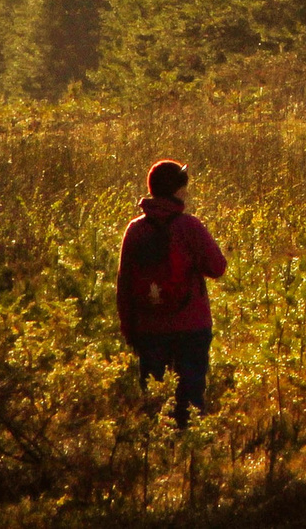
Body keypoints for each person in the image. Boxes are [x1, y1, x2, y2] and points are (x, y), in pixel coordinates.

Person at [115, 158, 227, 424]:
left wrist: (130, 330)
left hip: (148, 328)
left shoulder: (135, 230)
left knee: (155, 405)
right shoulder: (189, 227)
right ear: (178, 191)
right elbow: (218, 267)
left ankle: (155, 457)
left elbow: (125, 285)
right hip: (191, 326)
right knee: (190, 402)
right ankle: (189, 453)